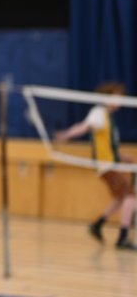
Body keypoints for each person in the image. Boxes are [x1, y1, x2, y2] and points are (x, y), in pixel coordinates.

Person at [54, 82, 133, 249]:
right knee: (130, 196)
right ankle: (123, 238)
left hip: (111, 163)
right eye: (116, 97)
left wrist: (124, 157)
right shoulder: (98, 112)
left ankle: (97, 225)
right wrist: (66, 134)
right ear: (106, 97)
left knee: (120, 197)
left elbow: (108, 145)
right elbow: (84, 127)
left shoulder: (109, 118)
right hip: (105, 166)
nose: (119, 101)